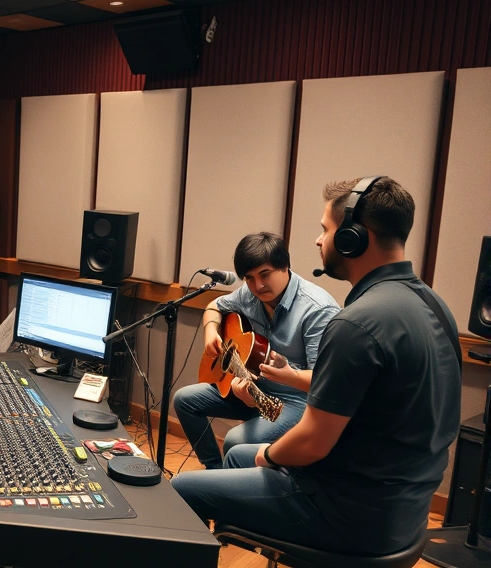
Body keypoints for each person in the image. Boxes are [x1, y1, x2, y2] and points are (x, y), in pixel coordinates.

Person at [171, 176, 462, 556]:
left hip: (344, 514)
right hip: (404, 514)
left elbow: (312, 441)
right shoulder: (436, 307)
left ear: (353, 237)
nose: (319, 240)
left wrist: (267, 455)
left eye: (326, 229)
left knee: (184, 488)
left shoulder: (356, 323)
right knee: (238, 453)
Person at [173, 232, 339, 469]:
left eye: (265, 274)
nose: (257, 286)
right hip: (252, 388)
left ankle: (232, 491)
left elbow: (324, 382)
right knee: (185, 401)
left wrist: (288, 376)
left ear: (285, 267)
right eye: (249, 278)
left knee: (234, 441)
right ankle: (215, 471)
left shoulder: (317, 310)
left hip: (295, 401)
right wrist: (211, 332)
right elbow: (214, 306)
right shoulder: (248, 294)